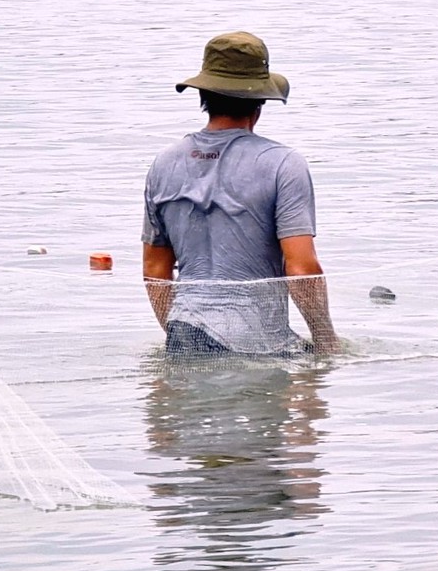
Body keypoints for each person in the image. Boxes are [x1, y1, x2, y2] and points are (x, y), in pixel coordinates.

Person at [143, 32, 341, 356]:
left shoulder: (164, 163)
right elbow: (302, 268)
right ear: (259, 104)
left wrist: (188, 339)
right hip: (255, 345)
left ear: (203, 97)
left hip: (182, 335)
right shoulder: (282, 164)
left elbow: (155, 271)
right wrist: (326, 342)